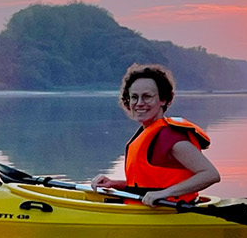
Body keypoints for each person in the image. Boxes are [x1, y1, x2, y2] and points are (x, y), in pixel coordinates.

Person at [92, 64, 220, 206]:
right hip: (144, 210)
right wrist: (114, 184)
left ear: (163, 99)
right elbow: (147, 186)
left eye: (147, 97)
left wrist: (165, 193)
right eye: (134, 97)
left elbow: (210, 174)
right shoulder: (146, 131)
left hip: (171, 212)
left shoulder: (170, 137)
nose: (139, 103)